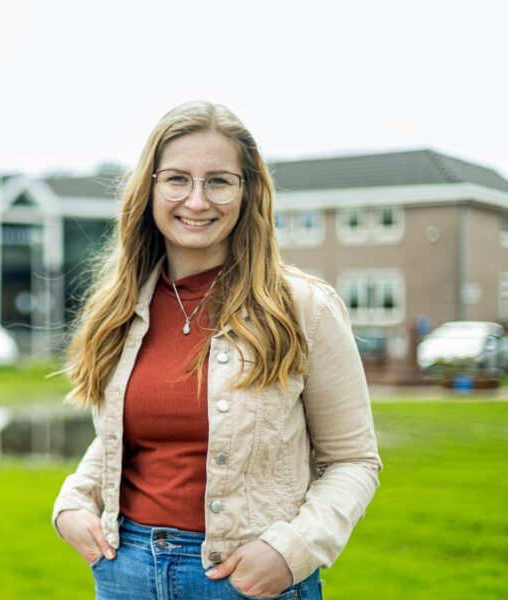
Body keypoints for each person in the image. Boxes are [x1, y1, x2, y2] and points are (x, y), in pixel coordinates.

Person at [52, 101, 381, 600]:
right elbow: (126, 435)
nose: (197, 200)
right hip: (127, 574)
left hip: (247, 582)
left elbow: (353, 460)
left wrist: (292, 551)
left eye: (219, 181)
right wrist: (74, 501)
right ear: (151, 188)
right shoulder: (118, 306)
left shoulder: (302, 307)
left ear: (246, 192)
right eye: (178, 179)